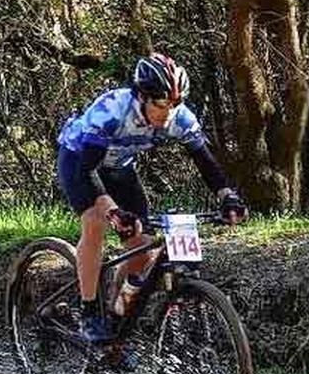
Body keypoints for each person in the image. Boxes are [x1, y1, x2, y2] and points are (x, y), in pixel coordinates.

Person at [55, 53, 246, 344]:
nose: (168, 113)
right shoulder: (113, 110)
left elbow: (206, 161)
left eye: (174, 104)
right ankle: (89, 311)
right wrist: (114, 212)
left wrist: (227, 195)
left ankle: (118, 317)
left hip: (119, 167)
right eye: (160, 104)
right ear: (142, 97)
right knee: (95, 221)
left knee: (141, 247)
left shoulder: (179, 117)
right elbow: (88, 170)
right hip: (80, 160)